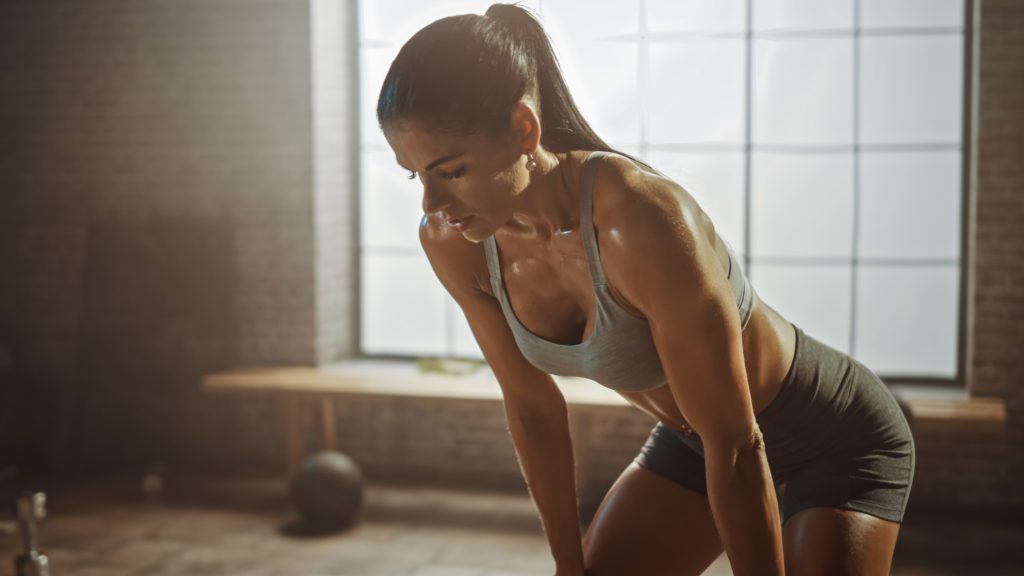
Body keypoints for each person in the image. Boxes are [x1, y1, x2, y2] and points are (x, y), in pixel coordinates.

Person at [376, 4, 915, 575]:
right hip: (694, 444)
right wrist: (566, 564)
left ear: (523, 128)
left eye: (452, 172)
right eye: (416, 175)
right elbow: (533, 410)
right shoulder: (455, 241)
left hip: (831, 436)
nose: (432, 203)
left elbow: (738, 446)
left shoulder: (638, 218)